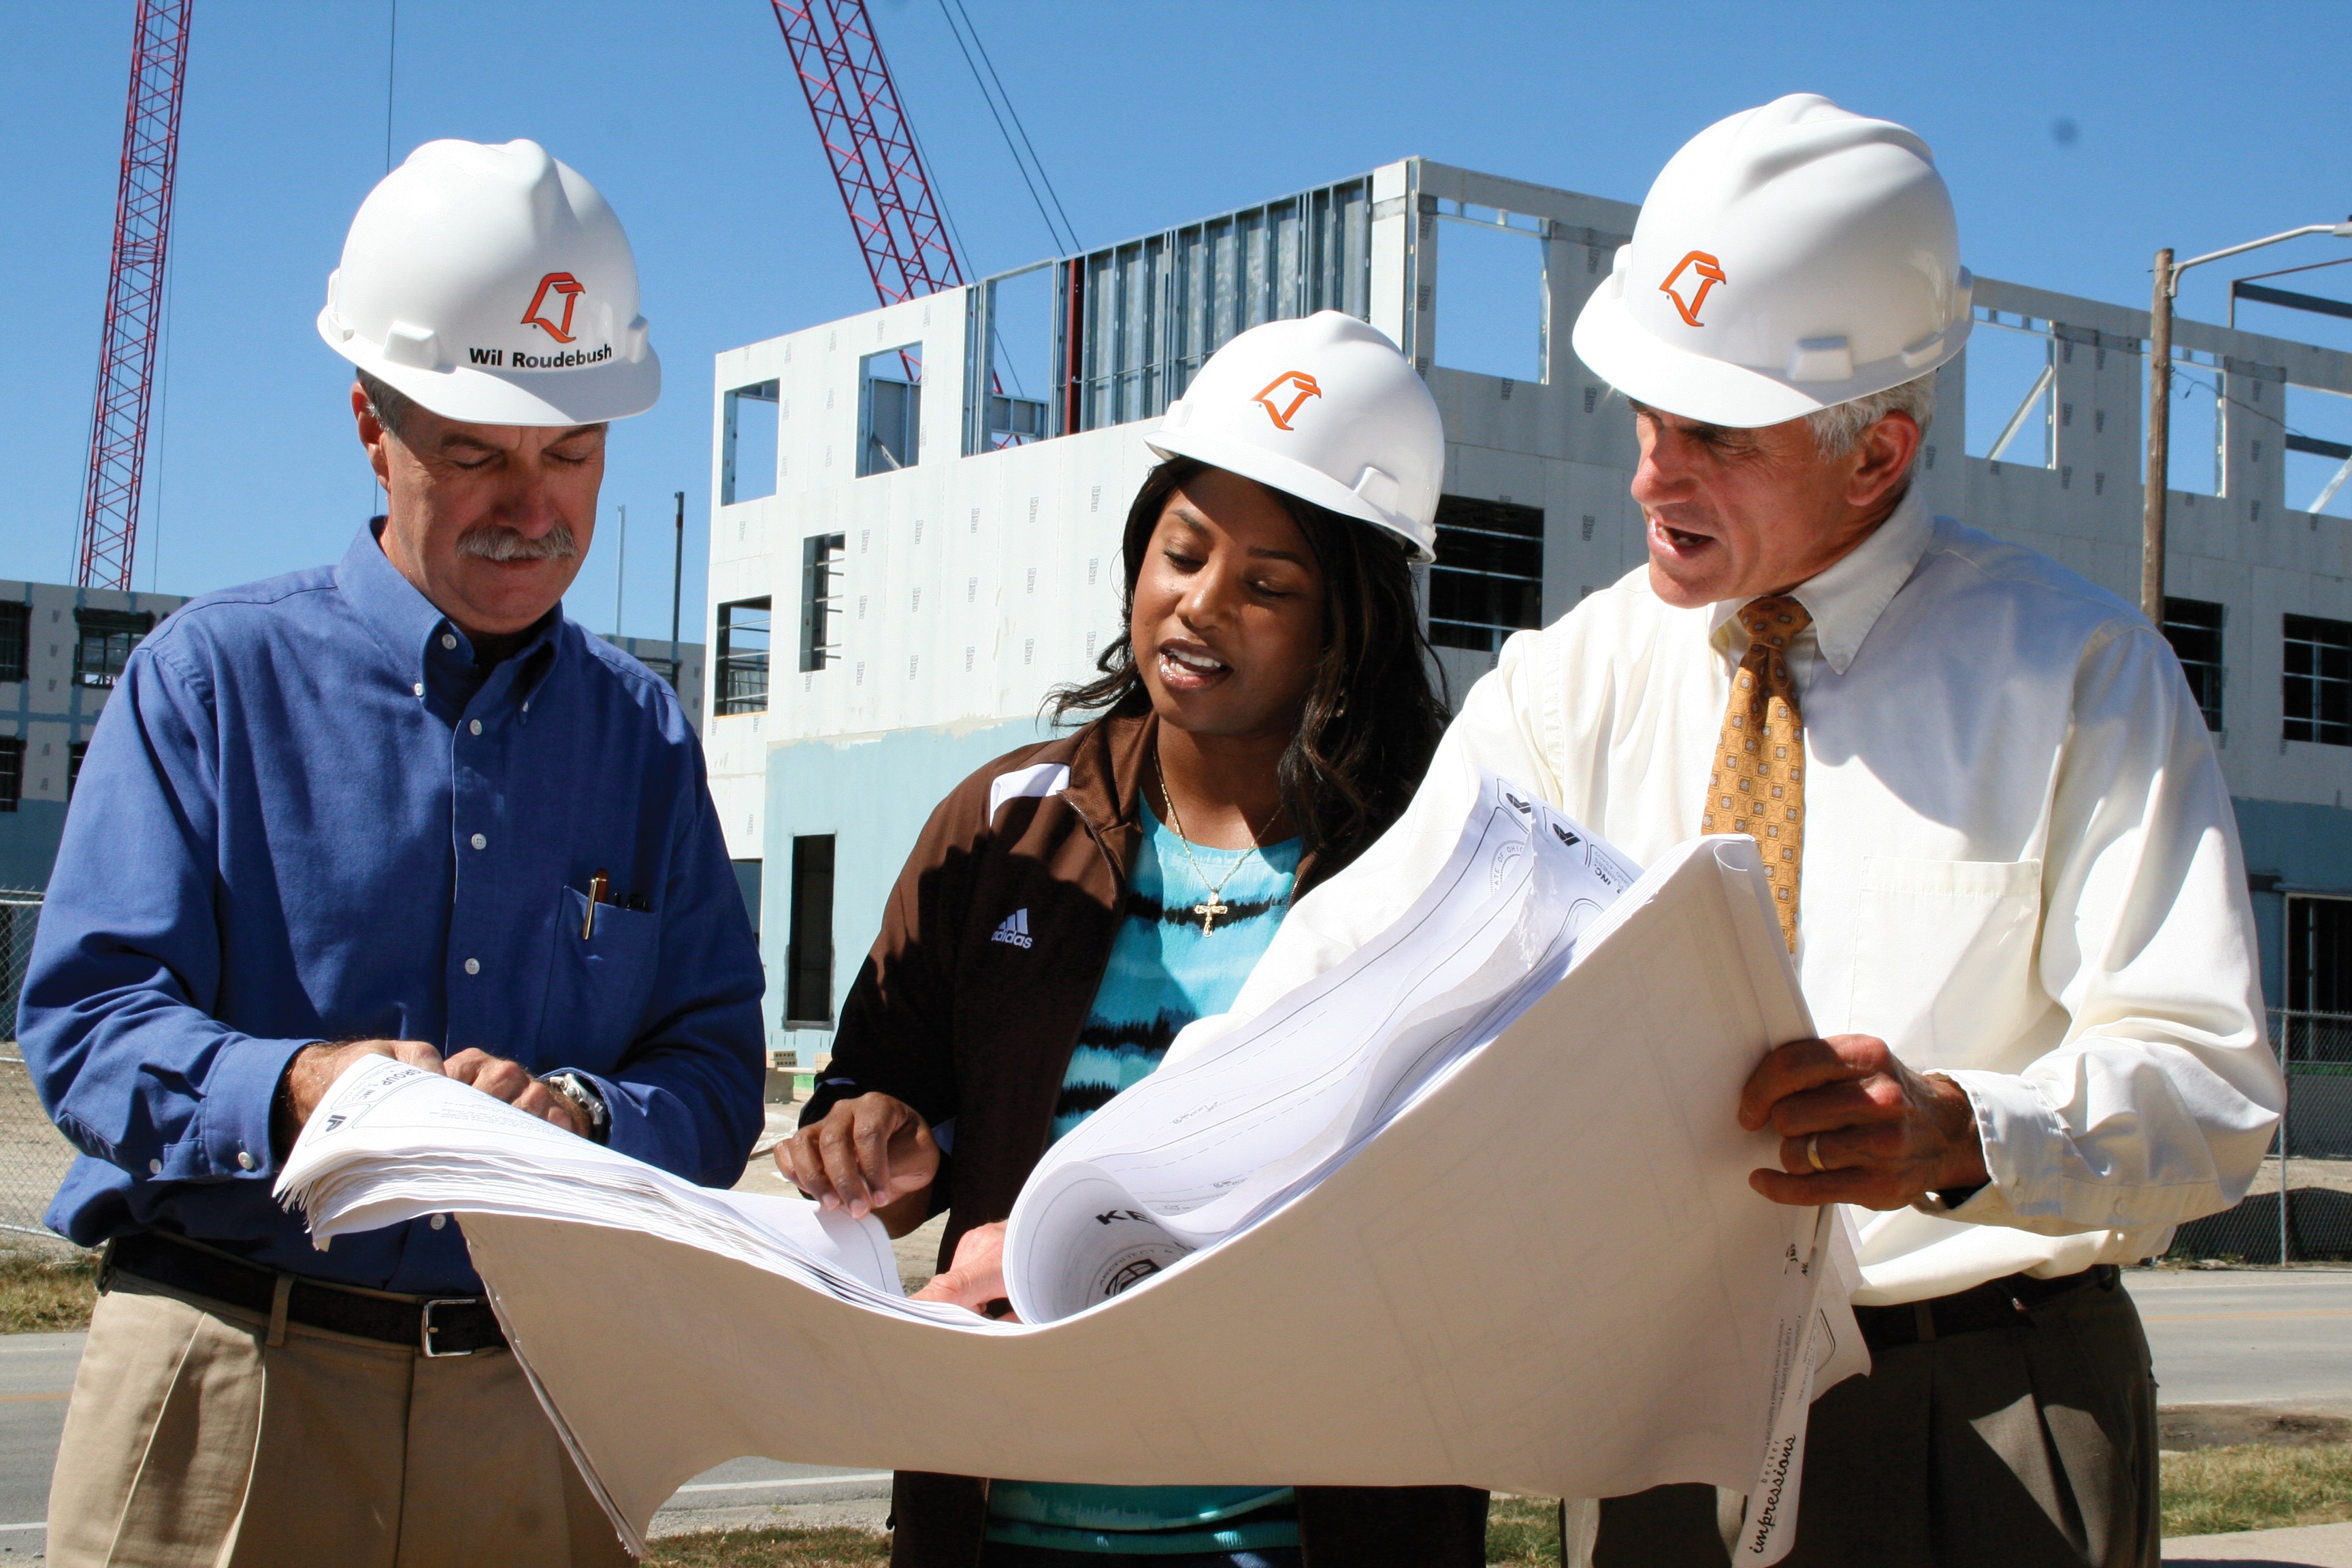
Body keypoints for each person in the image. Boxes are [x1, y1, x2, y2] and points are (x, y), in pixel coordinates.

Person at [1162, 97, 2286, 1568]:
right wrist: (1124, 1195)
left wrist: (1959, 1131)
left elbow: (2209, 1091)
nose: (1648, 473)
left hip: (1980, 1418)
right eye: (1643, 414)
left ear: (1877, 453)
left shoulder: (2080, 680)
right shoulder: (1570, 687)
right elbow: (1347, 975)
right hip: (1653, 1432)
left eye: (1712, 433)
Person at [21, 139, 765, 1567]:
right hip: (236, 1382)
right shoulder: (211, 683)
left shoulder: (645, 741)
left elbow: (715, 1072)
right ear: (372, 425)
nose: (532, 507)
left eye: (573, 454)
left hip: (539, 1406)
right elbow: (89, 1023)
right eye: (477, 451)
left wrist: (586, 1121)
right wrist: (305, 1088)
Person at [776, 312, 1486, 1568]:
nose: (1201, 604)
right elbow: (892, 1103)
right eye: (1183, 551)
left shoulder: (1433, 861)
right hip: (1005, 1526)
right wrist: (875, 1131)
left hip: (1314, 1534)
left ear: (1350, 622)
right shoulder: (1000, 831)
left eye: (1268, 586)